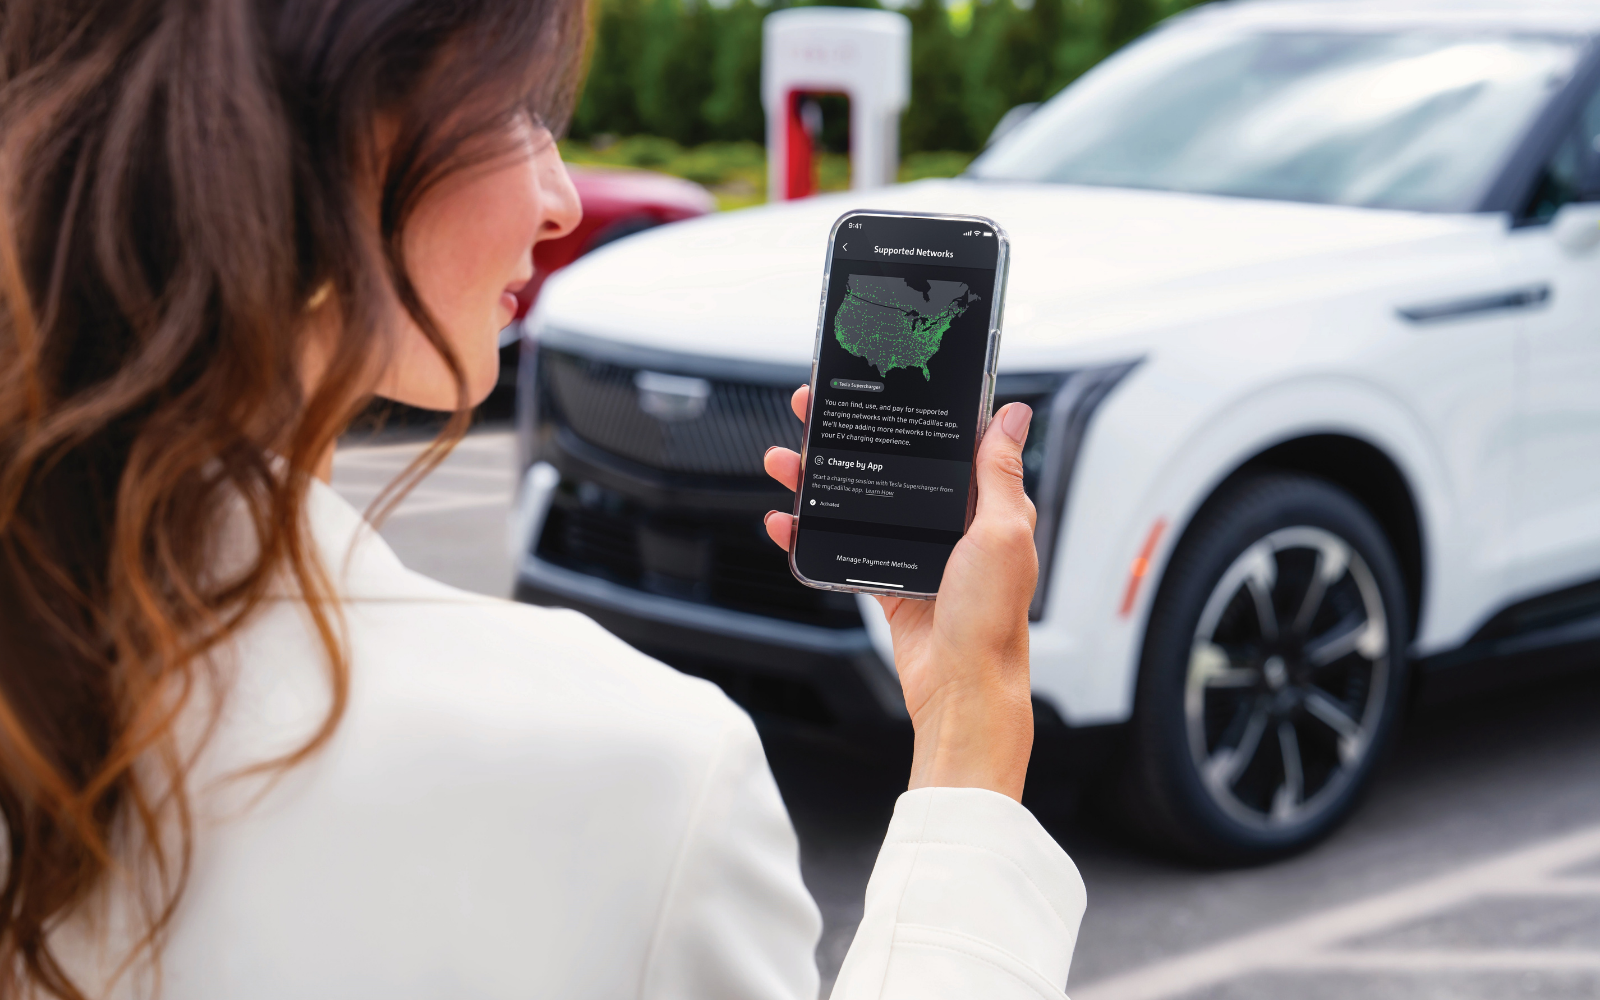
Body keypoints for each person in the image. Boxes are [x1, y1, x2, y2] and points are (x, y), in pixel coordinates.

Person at [0, 0, 1085, 997]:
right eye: (521, 113)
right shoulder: (643, 769)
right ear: (333, 156)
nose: (562, 198)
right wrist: (968, 729)